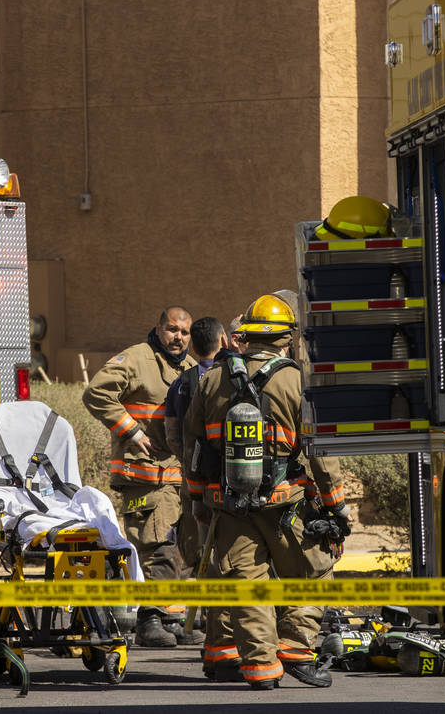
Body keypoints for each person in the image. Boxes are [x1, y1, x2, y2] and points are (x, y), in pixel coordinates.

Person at [183, 294, 349, 689]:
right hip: (284, 504)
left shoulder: (212, 379)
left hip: (227, 506)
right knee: (313, 571)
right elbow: (321, 453)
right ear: (285, 339)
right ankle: (293, 649)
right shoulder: (297, 381)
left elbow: (193, 446)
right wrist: (335, 507)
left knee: (248, 584)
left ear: (247, 337)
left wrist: (197, 500)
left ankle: (261, 670)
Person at [82, 306, 197, 647]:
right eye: (172, 330)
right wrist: (130, 430)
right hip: (143, 475)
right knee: (156, 548)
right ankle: (149, 620)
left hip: (178, 478)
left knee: (182, 550)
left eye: (185, 332)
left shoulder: (190, 369)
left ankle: (171, 618)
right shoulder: (135, 359)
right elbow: (96, 393)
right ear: (159, 329)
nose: (178, 337)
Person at [163, 317, 229, 588]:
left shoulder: (180, 384)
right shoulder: (232, 377)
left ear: (193, 348)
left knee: (203, 552)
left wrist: (190, 461)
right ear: (223, 340)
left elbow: (173, 436)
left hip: (196, 485)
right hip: (233, 480)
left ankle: (206, 618)